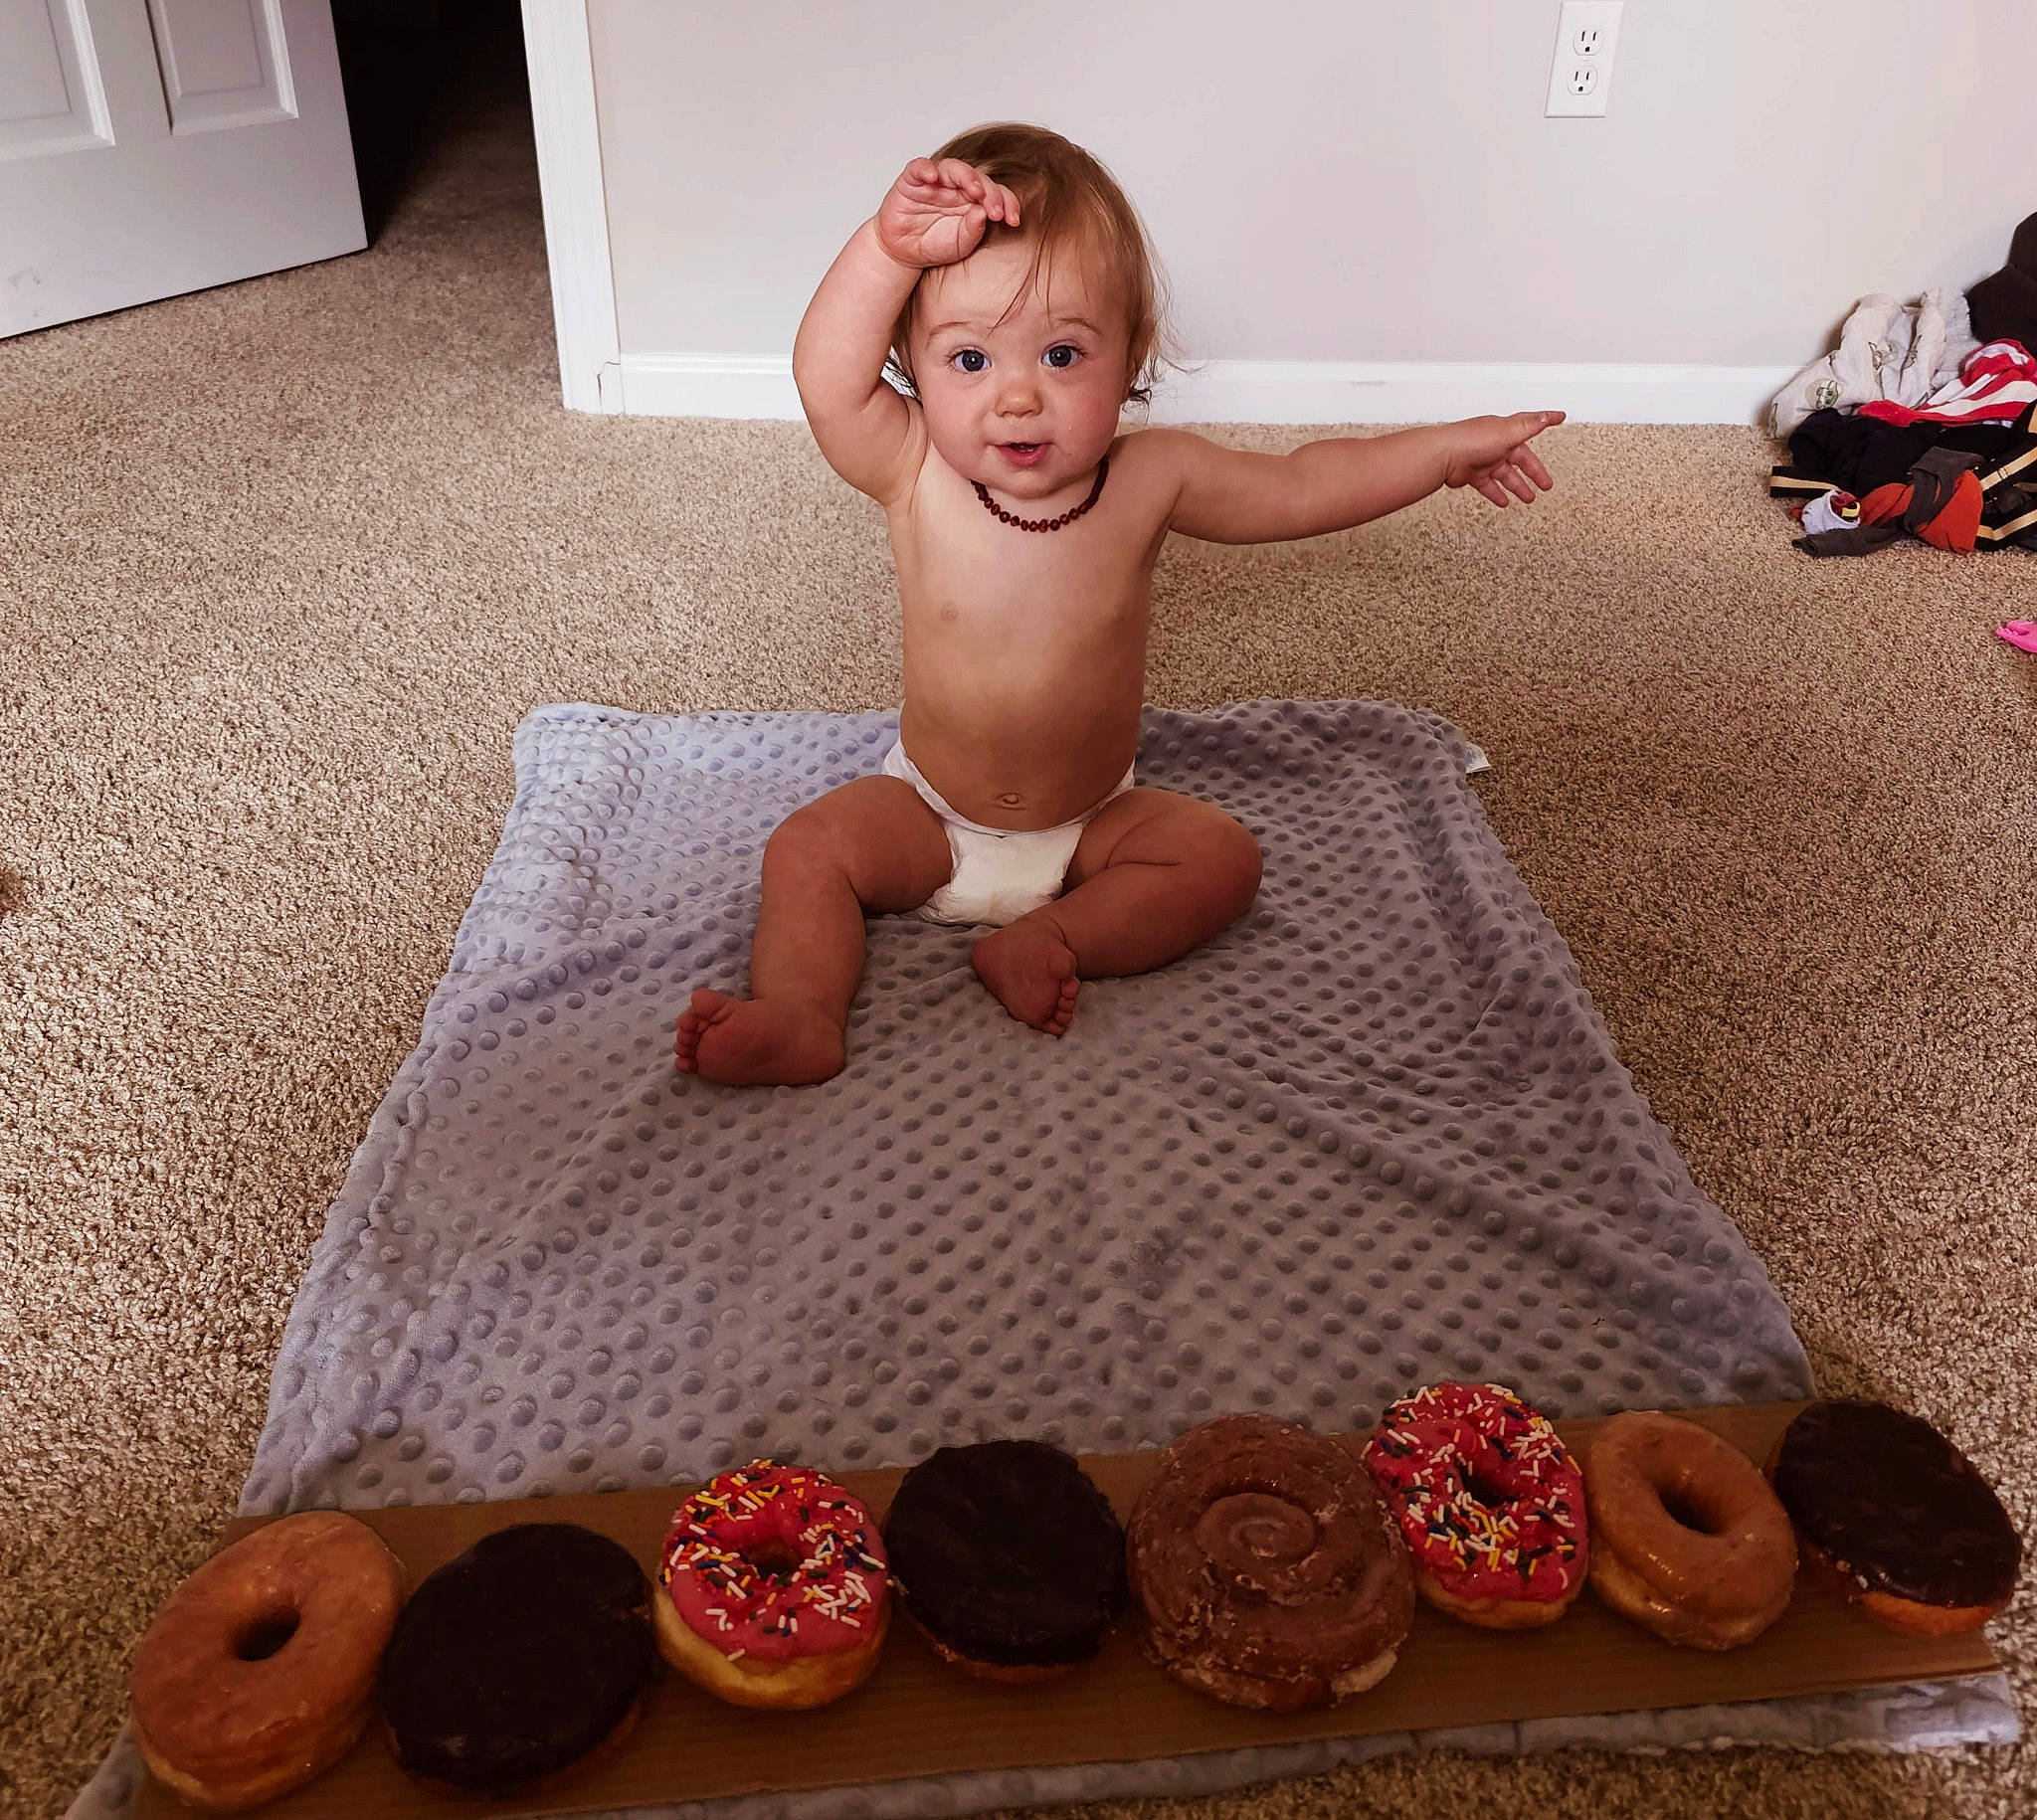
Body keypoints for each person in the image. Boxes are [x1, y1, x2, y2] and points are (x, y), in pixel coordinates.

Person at [676, 122, 1562, 1088]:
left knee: (1219, 861)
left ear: (1130, 354)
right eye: (969, 362)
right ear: (910, 365)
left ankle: (1049, 938)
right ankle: (800, 1015)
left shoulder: (1154, 478)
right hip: (927, 812)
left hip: (1090, 824)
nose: (1016, 400)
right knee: (806, 850)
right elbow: (822, 376)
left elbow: (1305, 482)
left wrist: (1440, 451)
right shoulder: (910, 465)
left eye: (1060, 356)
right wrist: (886, 249)